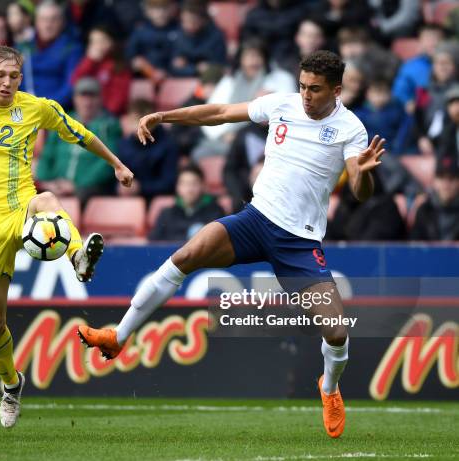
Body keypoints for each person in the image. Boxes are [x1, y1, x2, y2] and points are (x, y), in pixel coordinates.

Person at [78, 50, 386, 439]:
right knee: (186, 254)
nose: (306, 95)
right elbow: (221, 112)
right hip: (255, 220)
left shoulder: (352, 129)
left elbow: (360, 189)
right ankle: (118, 336)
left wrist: (362, 174)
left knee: (337, 330)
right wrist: (164, 116)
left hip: (299, 240)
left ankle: (328, 388)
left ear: (336, 90)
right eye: (303, 86)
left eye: (316, 90)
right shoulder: (282, 104)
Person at [0, 43, 133, 427]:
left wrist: (116, 163)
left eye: (14, 76)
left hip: (22, 207)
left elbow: (79, 134)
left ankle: (78, 258)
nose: (7, 82)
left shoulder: (36, 107)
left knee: (47, 197)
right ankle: (11, 384)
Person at [36, 77, 123, 204]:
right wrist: (48, 182)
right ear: (75, 98)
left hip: (89, 190)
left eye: (92, 97)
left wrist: (77, 185)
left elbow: (108, 163)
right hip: (56, 185)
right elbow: (47, 155)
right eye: (83, 96)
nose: (87, 102)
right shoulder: (62, 121)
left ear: (100, 99)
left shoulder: (110, 126)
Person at [118, 98, 178, 203]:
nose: (139, 126)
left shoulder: (168, 145)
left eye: (144, 121)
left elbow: (169, 183)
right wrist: (120, 186)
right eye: (135, 120)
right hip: (128, 201)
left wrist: (140, 188)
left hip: (156, 201)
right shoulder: (123, 144)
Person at [149, 164, 224, 241]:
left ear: (202, 186)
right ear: (177, 187)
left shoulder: (215, 212)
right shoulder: (166, 214)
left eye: (194, 184)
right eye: (184, 184)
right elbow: (154, 242)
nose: (189, 189)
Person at [411, 155, 459, 241]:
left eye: (451, 178)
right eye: (441, 178)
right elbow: (415, 246)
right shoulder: (424, 210)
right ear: (434, 181)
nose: (446, 184)